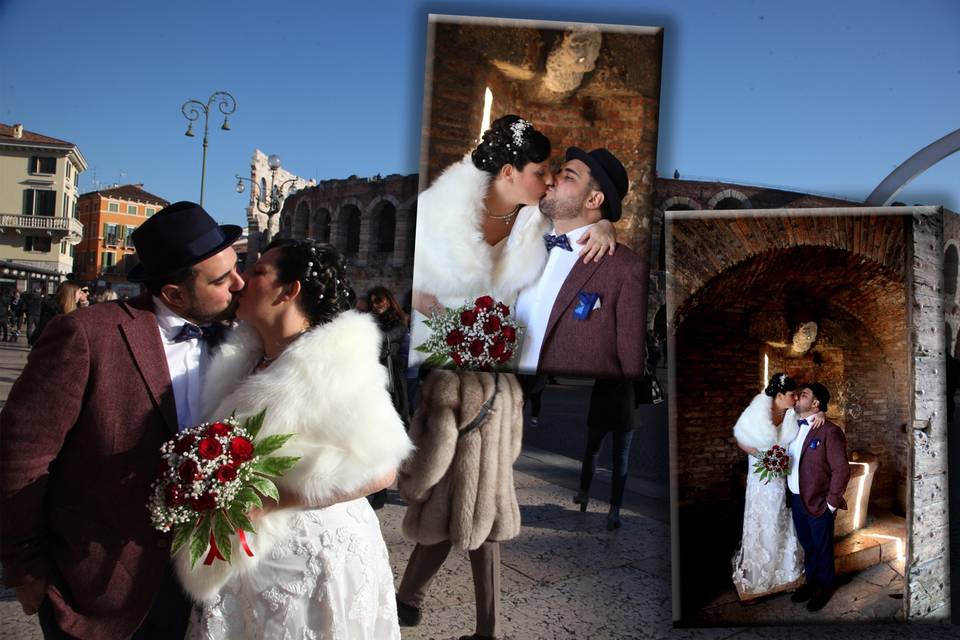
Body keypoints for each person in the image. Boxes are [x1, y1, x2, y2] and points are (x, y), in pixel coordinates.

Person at [398, 117, 616, 640]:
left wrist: (606, 223)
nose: (548, 183)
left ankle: (425, 604)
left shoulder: (540, 219)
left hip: (488, 382)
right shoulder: (435, 213)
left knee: (461, 513)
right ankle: (420, 601)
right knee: (474, 516)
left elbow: (580, 228)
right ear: (508, 170)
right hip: (471, 380)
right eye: (541, 172)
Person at [0, 201, 244, 639]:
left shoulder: (240, 341)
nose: (239, 284)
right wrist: (25, 567)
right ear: (173, 293)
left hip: (204, 584)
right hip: (97, 588)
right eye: (222, 278)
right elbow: (20, 457)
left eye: (236, 268)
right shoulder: (88, 336)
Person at [182, 240, 413, 639]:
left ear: (289, 291)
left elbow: (382, 469)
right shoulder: (247, 356)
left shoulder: (336, 363)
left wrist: (276, 499)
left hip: (312, 556)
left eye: (257, 273)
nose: (239, 282)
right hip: (247, 559)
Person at [513, 147, 647, 378]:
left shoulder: (626, 269)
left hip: (571, 408)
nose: (552, 180)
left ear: (594, 199)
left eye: (568, 176)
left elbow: (631, 369)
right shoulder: (522, 240)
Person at [730, 373, 807, 601]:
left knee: (779, 517)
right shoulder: (757, 411)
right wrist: (761, 455)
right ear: (780, 395)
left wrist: (821, 413)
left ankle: (782, 566)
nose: (795, 398)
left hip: (781, 476)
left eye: (796, 395)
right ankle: (761, 567)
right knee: (762, 517)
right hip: (760, 475)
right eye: (792, 394)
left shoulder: (793, 412)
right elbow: (741, 439)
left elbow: (813, 411)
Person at [788, 382, 850, 612]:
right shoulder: (792, 424)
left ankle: (824, 587)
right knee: (808, 544)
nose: (797, 397)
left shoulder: (830, 431)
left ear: (815, 403)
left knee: (822, 547)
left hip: (819, 501)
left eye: (803, 395)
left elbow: (841, 470)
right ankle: (811, 583)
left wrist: (831, 505)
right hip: (796, 498)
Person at [29, 281, 88, 346]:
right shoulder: (53, 311)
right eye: (79, 293)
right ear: (71, 294)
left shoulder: (68, 309)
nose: (80, 295)